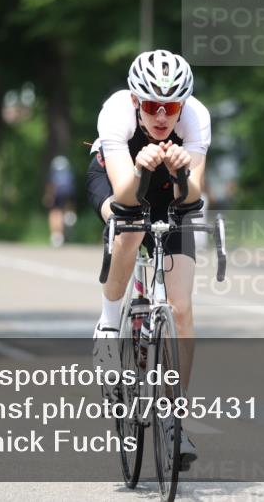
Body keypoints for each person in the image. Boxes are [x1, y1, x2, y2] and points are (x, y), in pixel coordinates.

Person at [85, 49, 210, 469]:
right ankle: (107, 323)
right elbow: (124, 195)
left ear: (183, 106)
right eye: (152, 105)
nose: (161, 116)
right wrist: (140, 168)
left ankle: (175, 420)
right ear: (136, 100)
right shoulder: (116, 112)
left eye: (170, 107)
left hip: (169, 190)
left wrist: (181, 173)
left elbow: (192, 198)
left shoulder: (196, 119)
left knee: (182, 308)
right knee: (130, 225)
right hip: (119, 178)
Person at [44, 155, 75, 247]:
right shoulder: (69, 173)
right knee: (63, 211)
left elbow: (51, 184)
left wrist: (48, 196)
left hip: (56, 194)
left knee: (55, 213)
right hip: (68, 194)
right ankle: (68, 217)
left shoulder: (53, 173)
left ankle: (57, 235)